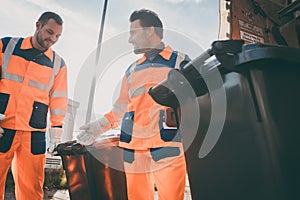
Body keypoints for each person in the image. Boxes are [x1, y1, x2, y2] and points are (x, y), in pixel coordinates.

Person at [77, 9, 190, 200]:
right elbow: (120, 109)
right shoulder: (132, 70)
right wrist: (98, 127)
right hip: (134, 150)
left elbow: (196, 104)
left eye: (133, 32)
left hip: (168, 147)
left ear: (149, 31)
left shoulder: (180, 62)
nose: (130, 39)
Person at [0, 11, 68, 200]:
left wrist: (56, 133)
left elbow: (59, 100)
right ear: (38, 25)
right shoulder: (6, 47)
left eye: (58, 36)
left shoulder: (58, 64)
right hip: (3, 127)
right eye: (49, 32)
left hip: (34, 132)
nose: (53, 39)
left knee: (32, 189)